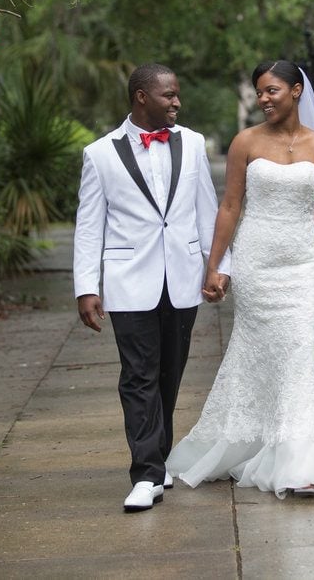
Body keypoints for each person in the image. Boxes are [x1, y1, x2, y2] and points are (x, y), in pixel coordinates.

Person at [166, 59, 314, 499]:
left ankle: (301, 465)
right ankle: (252, 443)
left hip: (305, 266)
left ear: (296, 91)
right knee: (261, 354)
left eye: (272, 90)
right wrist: (215, 266)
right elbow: (230, 207)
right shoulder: (245, 142)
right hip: (257, 264)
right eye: (259, 92)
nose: (264, 99)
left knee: (300, 356)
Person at [73, 63, 230, 512]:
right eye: (168, 95)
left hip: (181, 280)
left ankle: (157, 459)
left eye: (177, 94)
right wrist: (87, 286)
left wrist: (218, 267)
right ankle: (145, 473)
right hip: (128, 281)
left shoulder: (195, 144)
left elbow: (207, 211)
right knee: (138, 375)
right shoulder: (100, 154)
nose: (176, 102)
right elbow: (89, 226)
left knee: (170, 374)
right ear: (142, 97)